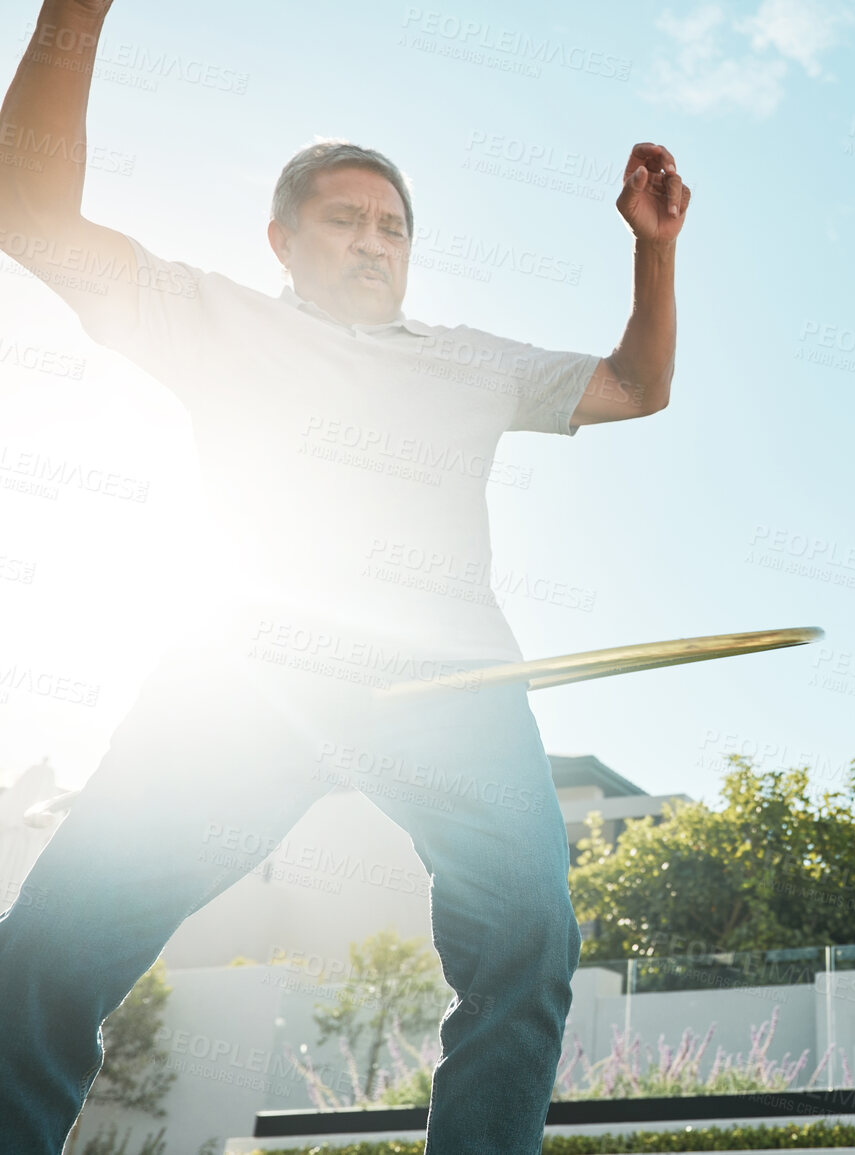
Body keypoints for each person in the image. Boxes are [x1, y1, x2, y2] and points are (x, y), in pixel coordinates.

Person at [0, 0, 689, 1151]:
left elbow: (637, 386)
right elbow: (27, 214)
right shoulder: (208, 312)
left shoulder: (471, 362)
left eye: (393, 226)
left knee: (529, 933)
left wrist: (652, 252)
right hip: (249, 680)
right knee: (48, 949)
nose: (375, 241)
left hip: (446, 685)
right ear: (281, 240)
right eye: (344, 222)